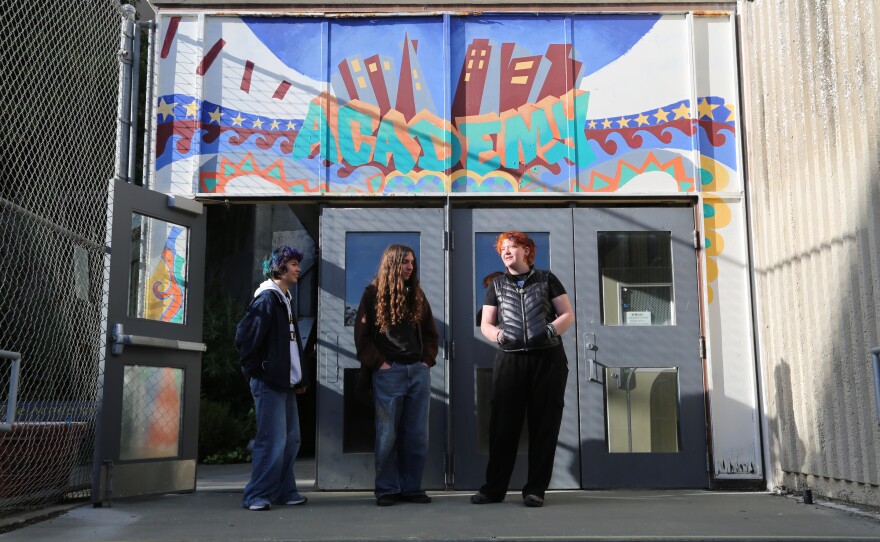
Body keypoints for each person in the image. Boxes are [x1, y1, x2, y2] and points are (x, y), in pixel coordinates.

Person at [471, 231, 573, 508]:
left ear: (527, 251)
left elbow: (567, 314)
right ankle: (493, 490)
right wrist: (498, 336)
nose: (506, 251)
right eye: (502, 248)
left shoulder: (547, 279)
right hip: (511, 360)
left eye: (512, 246)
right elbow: (487, 324)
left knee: (544, 425)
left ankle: (535, 490)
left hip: (548, 359)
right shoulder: (497, 285)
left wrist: (550, 329)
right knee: (503, 427)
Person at [354, 244, 439, 506]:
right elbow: (362, 337)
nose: (410, 267)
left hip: (418, 372)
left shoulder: (417, 294)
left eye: (412, 262)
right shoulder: (372, 294)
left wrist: (426, 361)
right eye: (404, 263)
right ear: (392, 264)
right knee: (387, 433)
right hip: (388, 374)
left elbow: (430, 333)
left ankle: (411, 488)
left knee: (416, 434)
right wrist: (381, 364)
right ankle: (387, 489)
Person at [235, 246, 310, 511]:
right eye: (292, 263)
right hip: (270, 384)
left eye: (298, 264)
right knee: (272, 440)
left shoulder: (283, 298)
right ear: (279, 267)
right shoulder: (268, 298)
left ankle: (284, 490)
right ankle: (256, 495)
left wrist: (297, 378)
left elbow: (288, 345)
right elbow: (245, 338)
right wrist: (259, 372)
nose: (298, 268)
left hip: (284, 384)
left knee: (291, 439)